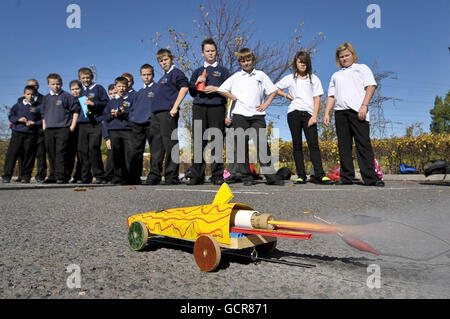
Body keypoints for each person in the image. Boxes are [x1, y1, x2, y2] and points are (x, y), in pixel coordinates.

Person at [217, 48, 284, 186]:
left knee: (262, 145)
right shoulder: (236, 76)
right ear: (240, 62)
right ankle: (247, 177)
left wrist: (265, 104)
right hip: (240, 115)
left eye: (248, 60)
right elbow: (221, 89)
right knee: (241, 147)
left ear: (252, 60)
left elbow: (273, 91)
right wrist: (233, 97)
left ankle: (270, 175)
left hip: (257, 116)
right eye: (243, 61)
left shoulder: (260, 75)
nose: (246, 63)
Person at [323, 42, 384, 187]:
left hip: (358, 112)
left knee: (363, 145)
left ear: (352, 55)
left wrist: (364, 105)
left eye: (347, 55)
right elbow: (331, 96)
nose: (344, 58)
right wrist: (327, 113)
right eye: (341, 57)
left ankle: (371, 178)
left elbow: (371, 86)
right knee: (344, 146)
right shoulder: (335, 75)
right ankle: (346, 177)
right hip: (340, 113)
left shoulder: (362, 69)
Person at [276, 50, 332, 185]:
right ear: (296, 62)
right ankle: (301, 176)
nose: (302, 64)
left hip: (309, 115)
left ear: (308, 64)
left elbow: (317, 98)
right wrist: (287, 96)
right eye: (300, 61)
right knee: (297, 145)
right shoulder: (290, 78)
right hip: (293, 113)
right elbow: (274, 88)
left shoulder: (314, 79)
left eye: (305, 62)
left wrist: (314, 116)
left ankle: (319, 174)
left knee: (314, 145)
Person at [187, 38, 230, 185]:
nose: (210, 53)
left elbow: (231, 90)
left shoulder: (224, 71)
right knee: (199, 141)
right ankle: (196, 176)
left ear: (216, 52)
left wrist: (217, 89)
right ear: (202, 53)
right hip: (199, 107)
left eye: (212, 51)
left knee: (217, 141)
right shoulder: (197, 71)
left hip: (217, 107)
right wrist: (196, 82)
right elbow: (192, 92)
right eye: (207, 51)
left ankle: (217, 175)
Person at [149, 48, 189, 185]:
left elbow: (184, 88)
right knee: (156, 147)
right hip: (156, 115)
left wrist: (175, 106)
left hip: (168, 113)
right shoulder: (162, 78)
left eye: (165, 59)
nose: (163, 62)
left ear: (171, 59)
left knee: (170, 145)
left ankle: (171, 176)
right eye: (161, 61)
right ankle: (154, 176)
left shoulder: (176, 73)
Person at [41, 73, 80, 184]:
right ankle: (52, 175)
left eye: (58, 84)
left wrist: (72, 127)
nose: (56, 86)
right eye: (53, 84)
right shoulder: (46, 98)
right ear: (48, 84)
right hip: (49, 129)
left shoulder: (67, 96)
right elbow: (43, 113)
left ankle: (61, 176)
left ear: (61, 84)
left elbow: (75, 111)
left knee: (61, 152)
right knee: (51, 153)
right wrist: (44, 125)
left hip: (63, 128)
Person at [129, 64, 162, 185]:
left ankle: (154, 176)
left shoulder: (158, 88)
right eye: (144, 75)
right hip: (137, 124)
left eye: (148, 74)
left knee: (155, 150)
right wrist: (132, 119)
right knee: (136, 150)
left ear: (152, 75)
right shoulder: (139, 93)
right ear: (140, 76)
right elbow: (132, 108)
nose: (146, 77)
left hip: (152, 123)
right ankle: (134, 177)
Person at [2, 86, 42, 183]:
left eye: (32, 94)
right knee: (12, 154)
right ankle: (7, 175)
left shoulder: (38, 106)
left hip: (31, 133)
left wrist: (35, 123)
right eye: (28, 94)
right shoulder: (18, 106)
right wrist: (18, 119)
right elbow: (11, 116)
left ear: (35, 95)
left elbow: (42, 119)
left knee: (29, 155)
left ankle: (26, 176)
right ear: (24, 94)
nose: (30, 96)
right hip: (18, 132)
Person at [77, 67, 108, 184]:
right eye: (83, 78)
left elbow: (106, 103)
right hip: (83, 124)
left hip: (95, 124)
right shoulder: (81, 91)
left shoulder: (98, 88)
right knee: (82, 150)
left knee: (94, 149)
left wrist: (93, 103)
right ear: (80, 79)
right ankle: (85, 176)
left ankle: (99, 175)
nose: (86, 80)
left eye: (88, 77)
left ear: (92, 77)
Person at [102, 77, 134, 185]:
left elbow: (133, 114)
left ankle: (127, 177)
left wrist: (123, 113)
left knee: (128, 155)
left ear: (127, 86)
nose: (121, 88)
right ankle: (117, 177)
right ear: (115, 87)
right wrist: (111, 114)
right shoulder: (111, 102)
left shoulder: (130, 99)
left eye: (124, 86)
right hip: (114, 131)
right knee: (116, 155)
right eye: (119, 86)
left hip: (127, 130)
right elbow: (105, 117)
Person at [16, 79, 46, 183]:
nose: (32, 87)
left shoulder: (44, 99)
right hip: (25, 131)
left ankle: (40, 175)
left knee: (40, 154)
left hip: (39, 131)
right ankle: (22, 175)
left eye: (34, 85)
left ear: (38, 86)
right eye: (29, 86)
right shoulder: (20, 99)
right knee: (23, 154)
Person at [68, 80, 83, 183]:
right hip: (71, 129)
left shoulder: (83, 99)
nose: (75, 91)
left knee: (81, 153)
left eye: (77, 89)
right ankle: (67, 174)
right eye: (73, 89)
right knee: (69, 153)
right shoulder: (68, 100)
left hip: (82, 128)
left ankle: (79, 175)